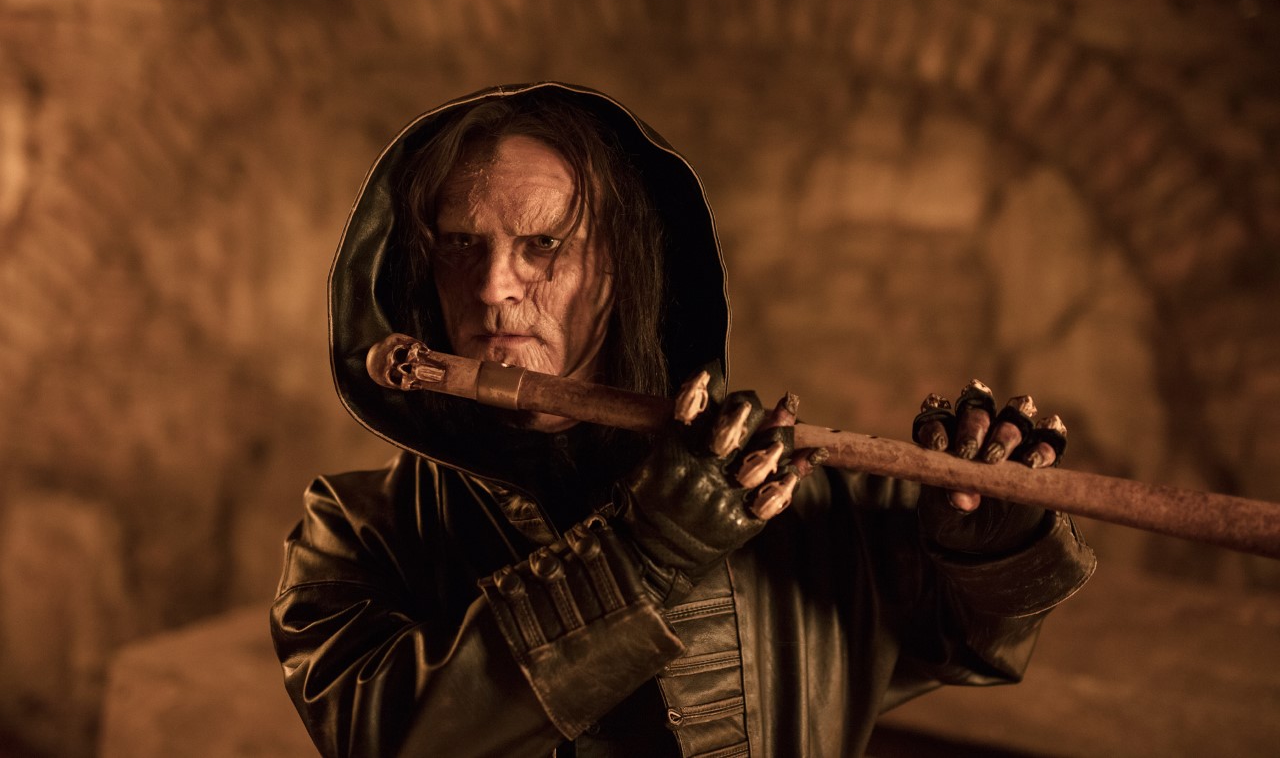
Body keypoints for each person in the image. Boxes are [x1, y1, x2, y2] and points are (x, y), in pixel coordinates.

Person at [269, 82, 1096, 758]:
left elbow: (972, 644)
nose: (492, 288)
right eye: (460, 245)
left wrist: (993, 544)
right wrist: (641, 556)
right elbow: (380, 737)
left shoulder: (784, 497)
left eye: (543, 244)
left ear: (626, 266)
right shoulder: (356, 528)